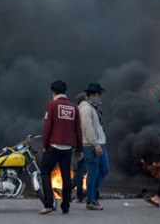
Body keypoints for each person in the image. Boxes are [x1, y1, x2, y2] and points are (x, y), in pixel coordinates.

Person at [39, 80, 82, 215]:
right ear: (65, 92)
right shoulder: (74, 107)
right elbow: (78, 130)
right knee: (66, 176)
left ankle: (48, 204)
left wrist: (45, 145)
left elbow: (47, 128)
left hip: (54, 146)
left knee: (45, 172)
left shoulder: (52, 105)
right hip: (68, 148)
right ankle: (65, 206)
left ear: (53, 92)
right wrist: (79, 149)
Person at [79, 83, 109, 210]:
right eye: (98, 94)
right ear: (92, 95)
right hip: (92, 146)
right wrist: (96, 145)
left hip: (100, 143)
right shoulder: (85, 109)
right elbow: (88, 129)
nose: (100, 97)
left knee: (104, 170)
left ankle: (90, 195)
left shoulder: (93, 107)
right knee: (93, 172)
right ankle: (90, 200)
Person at [71, 92, 87, 203]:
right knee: (82, 170)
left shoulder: (76, 110)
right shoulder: (83, 111)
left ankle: (80, 195)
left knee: (81, 170)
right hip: (83, 145)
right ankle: (69, 189)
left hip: (78, 145)